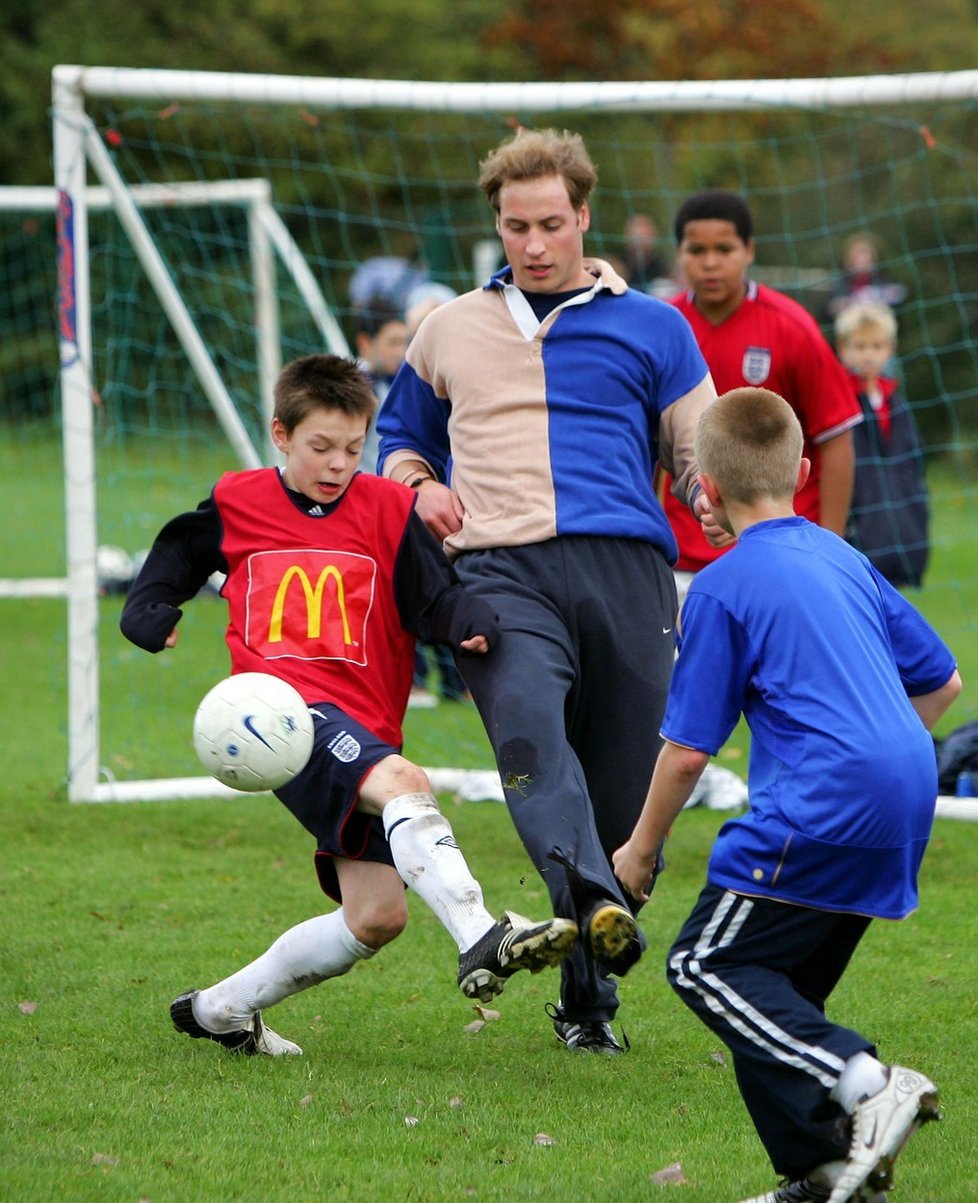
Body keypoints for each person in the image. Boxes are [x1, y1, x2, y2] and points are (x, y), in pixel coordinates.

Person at [120, 353, 577, 1057]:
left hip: (363, 724)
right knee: (404, 782)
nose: (337, 464)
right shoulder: (239, 500)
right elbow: (179, 554)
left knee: (375, 917)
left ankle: (219, 1009)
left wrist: (468, 617)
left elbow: (433, 595)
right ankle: (482, 931)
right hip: (280, 717)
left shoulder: (389, 510)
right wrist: (150, 607)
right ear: (280, 433)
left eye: (353, 448)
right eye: (319, 447)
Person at [377, 127, 719, 1053]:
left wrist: (717, 502)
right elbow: (396, 440)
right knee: (533, 739)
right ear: (496, 223)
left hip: (629, 575)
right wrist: (420, 486)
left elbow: (699, 453)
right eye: (515, 226)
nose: (532, 244)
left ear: (585, 218)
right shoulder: (447, 326)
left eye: (551, 224)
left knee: (614, 794)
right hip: (497, 572)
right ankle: (603, 902)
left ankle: (585, 1005)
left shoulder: (657, 326)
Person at [613, 387, 961, 1203]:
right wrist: (869, 745)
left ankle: (869, 1083)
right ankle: (826, 1176)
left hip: (822, 807)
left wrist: (639, 850)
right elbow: (942, 682)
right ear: (804, 471)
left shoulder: (724, 586)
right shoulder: (843, 556)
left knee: (705, 964)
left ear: (702, 489)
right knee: (777, 995)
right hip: (907, 798)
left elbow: (688, 754)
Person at [659, 188, 862, 604]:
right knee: (682, 671)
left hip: (780, 554)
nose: (710, 262)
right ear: (679, 254)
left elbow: (836, 437)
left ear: (749, 250)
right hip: (681, 559)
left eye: (724, 249)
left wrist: (830, 547)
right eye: (696, 250)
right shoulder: (662, 328)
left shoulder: (791, 327)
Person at [834, 302, 930, 588]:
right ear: (843, 348)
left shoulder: (896, 402)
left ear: (890, 348)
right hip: (858, 536)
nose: (868, 354)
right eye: (860, 346)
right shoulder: (840, 401)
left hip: (900, 534)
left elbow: (912, 467)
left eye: (876, 346)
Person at [352, 298, 408, 473]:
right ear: (365, 343)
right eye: (393, 343)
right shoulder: (354, 387)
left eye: (404, 343)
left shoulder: (387, 383)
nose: (401, 352)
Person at [823, 232, 907, 323]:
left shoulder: (887, 281)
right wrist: (834, 308)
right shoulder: (838, 285)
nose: (862, 261)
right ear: (848, 260)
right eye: (857, 257)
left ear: (874, 259)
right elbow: (824, 312)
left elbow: (898, 308)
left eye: (865, 257)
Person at [620, 212, 671, 294]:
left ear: (654, 234)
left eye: (644, 230)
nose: (640, 234)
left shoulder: (664, 267)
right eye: (636, 228)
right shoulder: (619, 264)